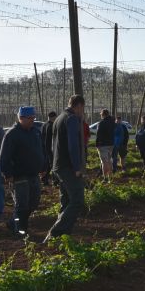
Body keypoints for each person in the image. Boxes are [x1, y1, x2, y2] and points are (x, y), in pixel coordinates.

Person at [45, 95, 87, 242]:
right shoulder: (72, 119)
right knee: (77, 200)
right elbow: (73, 145)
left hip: (58, 165)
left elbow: (52, 145)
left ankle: (62, 236)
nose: (82, 112)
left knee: (66, 200)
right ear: (79, 106)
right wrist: (77, 167)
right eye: (83, 108)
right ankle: (56, 232)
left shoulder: (59, 118)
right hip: (68, 167)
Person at [0, 106, 45, 240]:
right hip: (19, 175)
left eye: (33, 118)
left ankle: (13, 222)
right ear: (21, 118)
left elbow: (41, 150)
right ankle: (20, 231)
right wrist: (7, 174)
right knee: (21, 205)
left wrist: (43, 166)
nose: (32, 120)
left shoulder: (35, 132)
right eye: (30, 118)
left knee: (33, 203)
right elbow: (4, 157)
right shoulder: (12, 134)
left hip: (34, 174)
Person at [94, 109, 115, 181]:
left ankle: (105, 178)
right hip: (111, 144)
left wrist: (97, 144)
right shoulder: (112, 122)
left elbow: (98, 134)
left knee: (104, 162)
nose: (101, 116)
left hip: (102, 145)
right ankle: (110, 177)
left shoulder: (101, 123)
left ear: (103, 115)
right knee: (109, 161)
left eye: (101, 114)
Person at [40, 111, 57, 187]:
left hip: (44, 148)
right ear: (53, 117)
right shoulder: (51, 126)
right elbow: (49, 140)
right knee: (52, 165)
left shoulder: (44, 125)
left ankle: (45, 179)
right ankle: (54, 180)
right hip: (50, 148)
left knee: (47, 165)